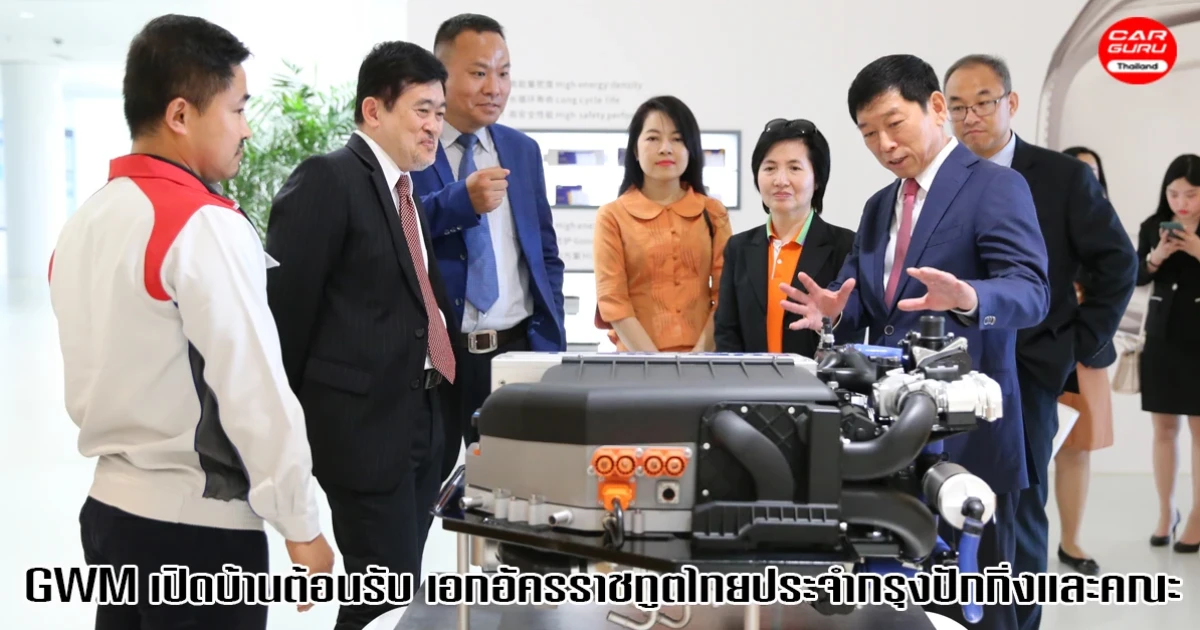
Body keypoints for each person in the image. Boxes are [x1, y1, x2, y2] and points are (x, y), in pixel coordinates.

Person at [47, 14, 332, 630]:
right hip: (197, 531)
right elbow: (252, 387)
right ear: (181, 114)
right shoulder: (201, 222)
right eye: (237, 109)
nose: (247, 128)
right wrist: (301, 523)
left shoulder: (85, 222)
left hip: (110, 512)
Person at [779, 54, 1050, 630]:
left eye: (893, 124)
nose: (883, 144)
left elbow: (1031, 292)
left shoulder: (995, 186)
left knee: (981, 604)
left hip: (970, 440)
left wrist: (968, 296)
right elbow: (869, 302)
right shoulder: (880, 205)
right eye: (868, 133)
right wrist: (836, 311)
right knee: (909, 605)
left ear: (936, 107)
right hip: (894, 440)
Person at [264, 41, 455, 630]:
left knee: (393, 586)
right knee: (385, 588)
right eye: (421, 110)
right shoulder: (328, 178)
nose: (434, 126)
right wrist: (290, 436)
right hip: (363, 431)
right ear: (374, 110)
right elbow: (285, 316)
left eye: (440, 112)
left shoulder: (405, 191)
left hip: (423, 419)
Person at [942, 55, 1136, 628]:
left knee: (1020, 508)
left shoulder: (1062, 177)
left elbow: (1118, 263)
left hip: (1027, 368)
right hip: (953, 367)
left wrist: (1076, 343)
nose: (971, 117)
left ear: (1011, 103)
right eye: (958, 107)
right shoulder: (942, 178)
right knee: (954, 499)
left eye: (983, 102)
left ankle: (1021, 622)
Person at [410, 13, 565, 479]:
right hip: (438, 360)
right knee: (425, 489)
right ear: (441, 76)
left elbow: (545, 254)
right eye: (479, 73)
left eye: (504, 73)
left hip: (514, 352)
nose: (494, 88)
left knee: (518, 492)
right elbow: (398, 232)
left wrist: (549, 341)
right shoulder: (414, 148)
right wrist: (461, 201)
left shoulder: (521, 150)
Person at [593, 95, 732, 352]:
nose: (665, 148)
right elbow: (613, 300)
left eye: (677, 139)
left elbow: (725, 295)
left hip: (703, 361)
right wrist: (658, 364)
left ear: (691, 149)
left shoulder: (713, 213)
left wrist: (697, 358)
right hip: (636, 363)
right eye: (653, 138)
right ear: (635, 150)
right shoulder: (612, 216)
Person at [714, 118, 858, 356]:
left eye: (794, 168)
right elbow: (726, 333)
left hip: (818, 378)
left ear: (817, 179)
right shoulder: (738, 248)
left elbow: (853, 333)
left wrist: (831, 322)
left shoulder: (845, 246)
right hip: (750, 379)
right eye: (770, 168)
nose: (780, 180)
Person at [1056, 145, 1118, 577]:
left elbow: (1122, 278)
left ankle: (1071, 541)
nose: (1085, 179)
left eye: (1092, 172)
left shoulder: (1106, 225)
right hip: (1034, 348)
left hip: (1084, 354)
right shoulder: (1040, 213)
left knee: (1077, 450)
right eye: (1077, 171)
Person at [1135, 153, 1200, 554]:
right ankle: (1166, 512)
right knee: (1163, 429)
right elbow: (1135, 276)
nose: (1182, 203)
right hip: (1162, 337)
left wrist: (1196, 248)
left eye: (1191, 194)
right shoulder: (1152, 226)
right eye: (1174, 193)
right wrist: (1157, 255)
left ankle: (1197, 516)